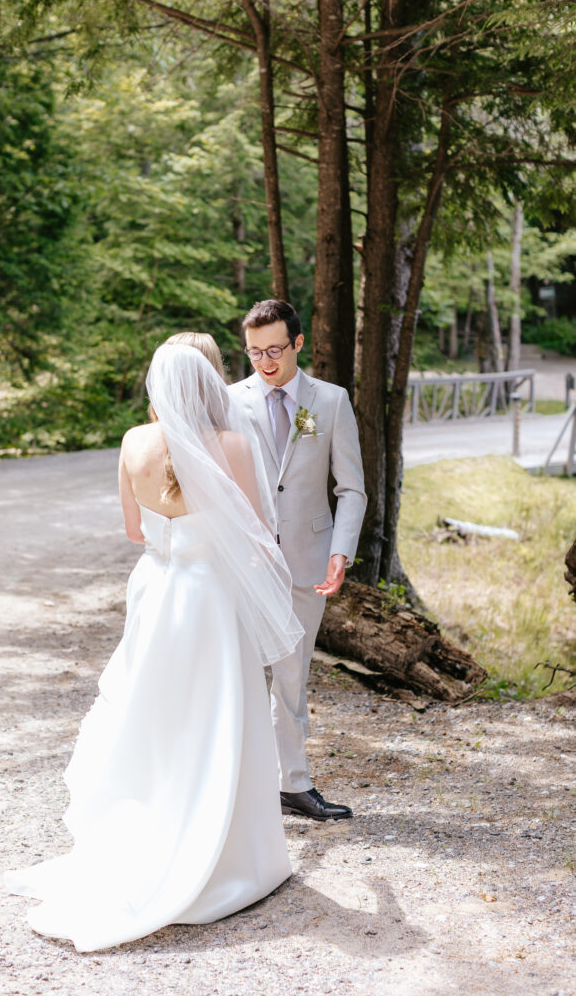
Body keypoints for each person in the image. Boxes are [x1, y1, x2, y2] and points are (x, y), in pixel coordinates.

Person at [4, 339, 302, 952]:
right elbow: (255, 533)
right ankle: (234, 860)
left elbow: (134, 530)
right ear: (209, 387)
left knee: (156, 720)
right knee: (220, 718)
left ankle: (151, 829)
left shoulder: (132, 443)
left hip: (156, 595)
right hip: (211, 603)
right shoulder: (234, 445)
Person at [229, 299, 366, 822]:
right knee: (238, 673)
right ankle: (239, 787)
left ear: (298, 343)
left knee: (291, 677)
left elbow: (351, 488)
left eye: (275, 350)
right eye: (255, 351)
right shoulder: (229, 400)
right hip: (245, 561)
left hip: (310, 559)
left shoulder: (329, 402)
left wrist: (341, 551)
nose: (265, 361)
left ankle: (293, 784)